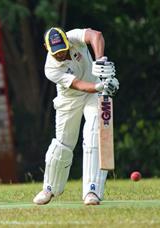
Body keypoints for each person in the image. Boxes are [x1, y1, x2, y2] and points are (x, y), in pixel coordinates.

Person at [33, 27, 119, 205]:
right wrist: (100, 87)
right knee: (63, 145)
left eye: (64, 49)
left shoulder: (73, 37)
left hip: (93, 95)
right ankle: (49, 188)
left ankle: (92, 191)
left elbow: (97, 35)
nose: (62, 54)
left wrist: (101, 61)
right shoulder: (50, 68)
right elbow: (79, 85)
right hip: (70, 99)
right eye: (56, 52)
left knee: (94, 134)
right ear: (46, 48)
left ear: (66, 39)